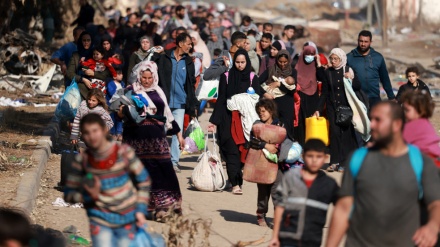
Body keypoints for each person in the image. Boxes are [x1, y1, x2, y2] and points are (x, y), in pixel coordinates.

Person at [326, 101, 440, 247]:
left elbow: (435, 203)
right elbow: (343, 208)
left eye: (378, 120)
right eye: (371, 119)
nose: (371, 125)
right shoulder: (358, 158)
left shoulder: (420, 161)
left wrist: (432, 226)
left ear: (397, 124)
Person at [65, 113, 151, 247]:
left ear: (104, 130)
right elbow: (69, 193)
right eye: (87, 133)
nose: (92, 137)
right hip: (100, 221)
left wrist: (140, 209)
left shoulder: (124, 152)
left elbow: (144, 180)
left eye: (95, 131)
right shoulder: (82, 161)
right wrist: (87, 194)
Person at [119, 61, 184, 221]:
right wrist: (123, 112)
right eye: (144, 77)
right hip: (136, 141)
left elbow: (168, 115)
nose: (146, 80)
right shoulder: (130, 91)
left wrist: (179, 135)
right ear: (139, 76)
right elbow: (119, 111)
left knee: (164, 172)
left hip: (156, 141)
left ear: (154, 77)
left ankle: (164, 208)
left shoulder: (158, 91)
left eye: (149, 77)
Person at [208, 49, 260, 195]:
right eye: (237, 62)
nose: (240, 65)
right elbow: (222, 98)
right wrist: (214, 121)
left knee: (243, 151)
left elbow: (257, 99)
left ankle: (235, 177)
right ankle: (236, 184)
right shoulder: (226, 76)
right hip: (228, 119)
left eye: (243, 62)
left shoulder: (252, 78)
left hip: (246, 121)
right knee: (231, 152)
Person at [270, 139, 339, 247]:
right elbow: (280, 207)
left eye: (319, 156)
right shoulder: (290, 177)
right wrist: (275, 236)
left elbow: (342, 209)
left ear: (325, 158)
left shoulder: (329, 185)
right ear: (302, 156)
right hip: (287, 239)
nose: (314, 160)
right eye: (310, 156)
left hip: (312, 240)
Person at [152, 33, 198, 173]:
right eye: (188, 43)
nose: (190, 46)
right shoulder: (164, 57)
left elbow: (191, 84)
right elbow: (153, 70)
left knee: (177, 132)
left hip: (180, 102)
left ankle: (174, 162)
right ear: (180, 44)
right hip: (163, 101)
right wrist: (155, 54)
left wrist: (192, 104)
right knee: (161, 131)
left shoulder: (189, 62)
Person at [314, 48, 360, 172]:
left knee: (345, 134)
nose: (333, 61)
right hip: (332, 108)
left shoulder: (348, 70)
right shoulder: (328, 72)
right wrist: (318, 109)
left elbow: (357, 87)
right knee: (334, 134)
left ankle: (344, 162)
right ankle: (334, 161)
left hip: (346, 108)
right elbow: (324, 93)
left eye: (336, 59)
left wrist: (351, 78)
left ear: (341, 59)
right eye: (331, 59)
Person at [251, 99, 285, 227]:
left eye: (264, 111)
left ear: (271, 111)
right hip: (262, 162)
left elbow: (285, 140)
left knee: (278, 190)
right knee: (263, 191)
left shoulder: (280, 124)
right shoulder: (256, 125)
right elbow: (252, 142)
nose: (261, 114)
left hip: (278, 163)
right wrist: (265, 145)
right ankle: (261, 213)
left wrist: (277, 148)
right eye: (259, 112)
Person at [347, 30, 395, 107]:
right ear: (358, 41)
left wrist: (391, 96)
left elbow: (385, 78)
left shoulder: (378, 57)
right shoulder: (349, 57)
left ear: (370, 42)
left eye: (366, 42)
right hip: (357, 97)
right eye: (361, 41)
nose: (363, 44)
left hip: (374, 97)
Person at [260, 50, 297, 140]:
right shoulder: (270, 70)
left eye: (285, 62)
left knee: (286, 129)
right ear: (277, 60)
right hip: (273, 104)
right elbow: (256, 83)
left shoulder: (293, 72)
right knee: (274, 128)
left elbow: (292, 90)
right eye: (280, 61)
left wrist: (279, 84)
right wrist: (265, 93)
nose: (282, 64)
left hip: (287, 105)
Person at [294, 43, 324, 145]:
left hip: (312, 96)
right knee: (300, 123)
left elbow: (322, 78)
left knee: (311, 121)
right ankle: (301, 146)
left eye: (312, 54)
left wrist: (319, 63)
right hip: (299, 95)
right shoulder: (297, 64)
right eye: (308, 54)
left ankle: (311, 145)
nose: (310, 57)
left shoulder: (316, 65)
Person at [67, 32, 110, 100]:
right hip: (80, 84)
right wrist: (82, 79)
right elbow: (70, 73)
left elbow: (104, 74)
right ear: (81, 42)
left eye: (88, 40)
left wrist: (93, 73)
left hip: (96, 85)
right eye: (84, 40)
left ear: (91, 41)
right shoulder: (76, 56)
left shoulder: (96, 55)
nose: (86, 42)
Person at [401, 90, 440, 167]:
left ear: (420, 110)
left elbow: (397, 143)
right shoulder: (425, 122)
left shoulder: (413, 125)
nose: (403, 113)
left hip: (426, 163)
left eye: (407, 110)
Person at [106, 66, 125, 141]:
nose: (121, 75)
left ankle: (119, 133)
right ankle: (112, 133)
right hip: (112, 104)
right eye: (119, 74)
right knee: (112, 118)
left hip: (120, 104)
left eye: (121, 74)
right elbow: (111, 93)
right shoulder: (111, 83)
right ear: (114, 76)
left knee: (120, 118)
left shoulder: (122, 84)